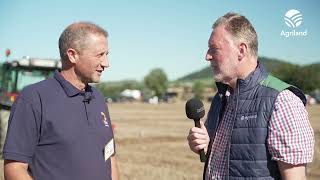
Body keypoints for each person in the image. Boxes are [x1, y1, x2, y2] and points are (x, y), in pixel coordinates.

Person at [187, 12, 314, 180]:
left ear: (241, 50)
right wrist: (205, 145)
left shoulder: (282, 100)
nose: (207, 56)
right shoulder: (220, 98)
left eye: (214, 49)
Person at [3, 22, 119, 180]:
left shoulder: (98, 98)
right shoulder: (33, 98)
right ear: (72, 55)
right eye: (99, 55)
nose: (107, 63)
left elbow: (109, 156)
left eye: (107, 54)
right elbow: (15, 168)